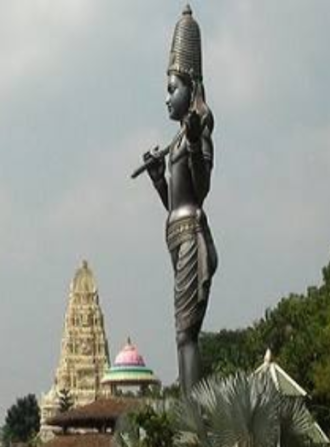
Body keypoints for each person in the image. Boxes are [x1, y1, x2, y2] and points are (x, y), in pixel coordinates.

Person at [137, 5, 218, 392]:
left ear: (190, 86)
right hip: (175, 230)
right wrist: (157, 176)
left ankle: (192, 415)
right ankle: (189, 410)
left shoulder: (198, 129)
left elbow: (201, 188)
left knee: (187, 333)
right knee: (180, 333)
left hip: (191, 232)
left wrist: (192, 136)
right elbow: (174, 199)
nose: (168, 98)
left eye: (173, 89)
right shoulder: (175, 141)